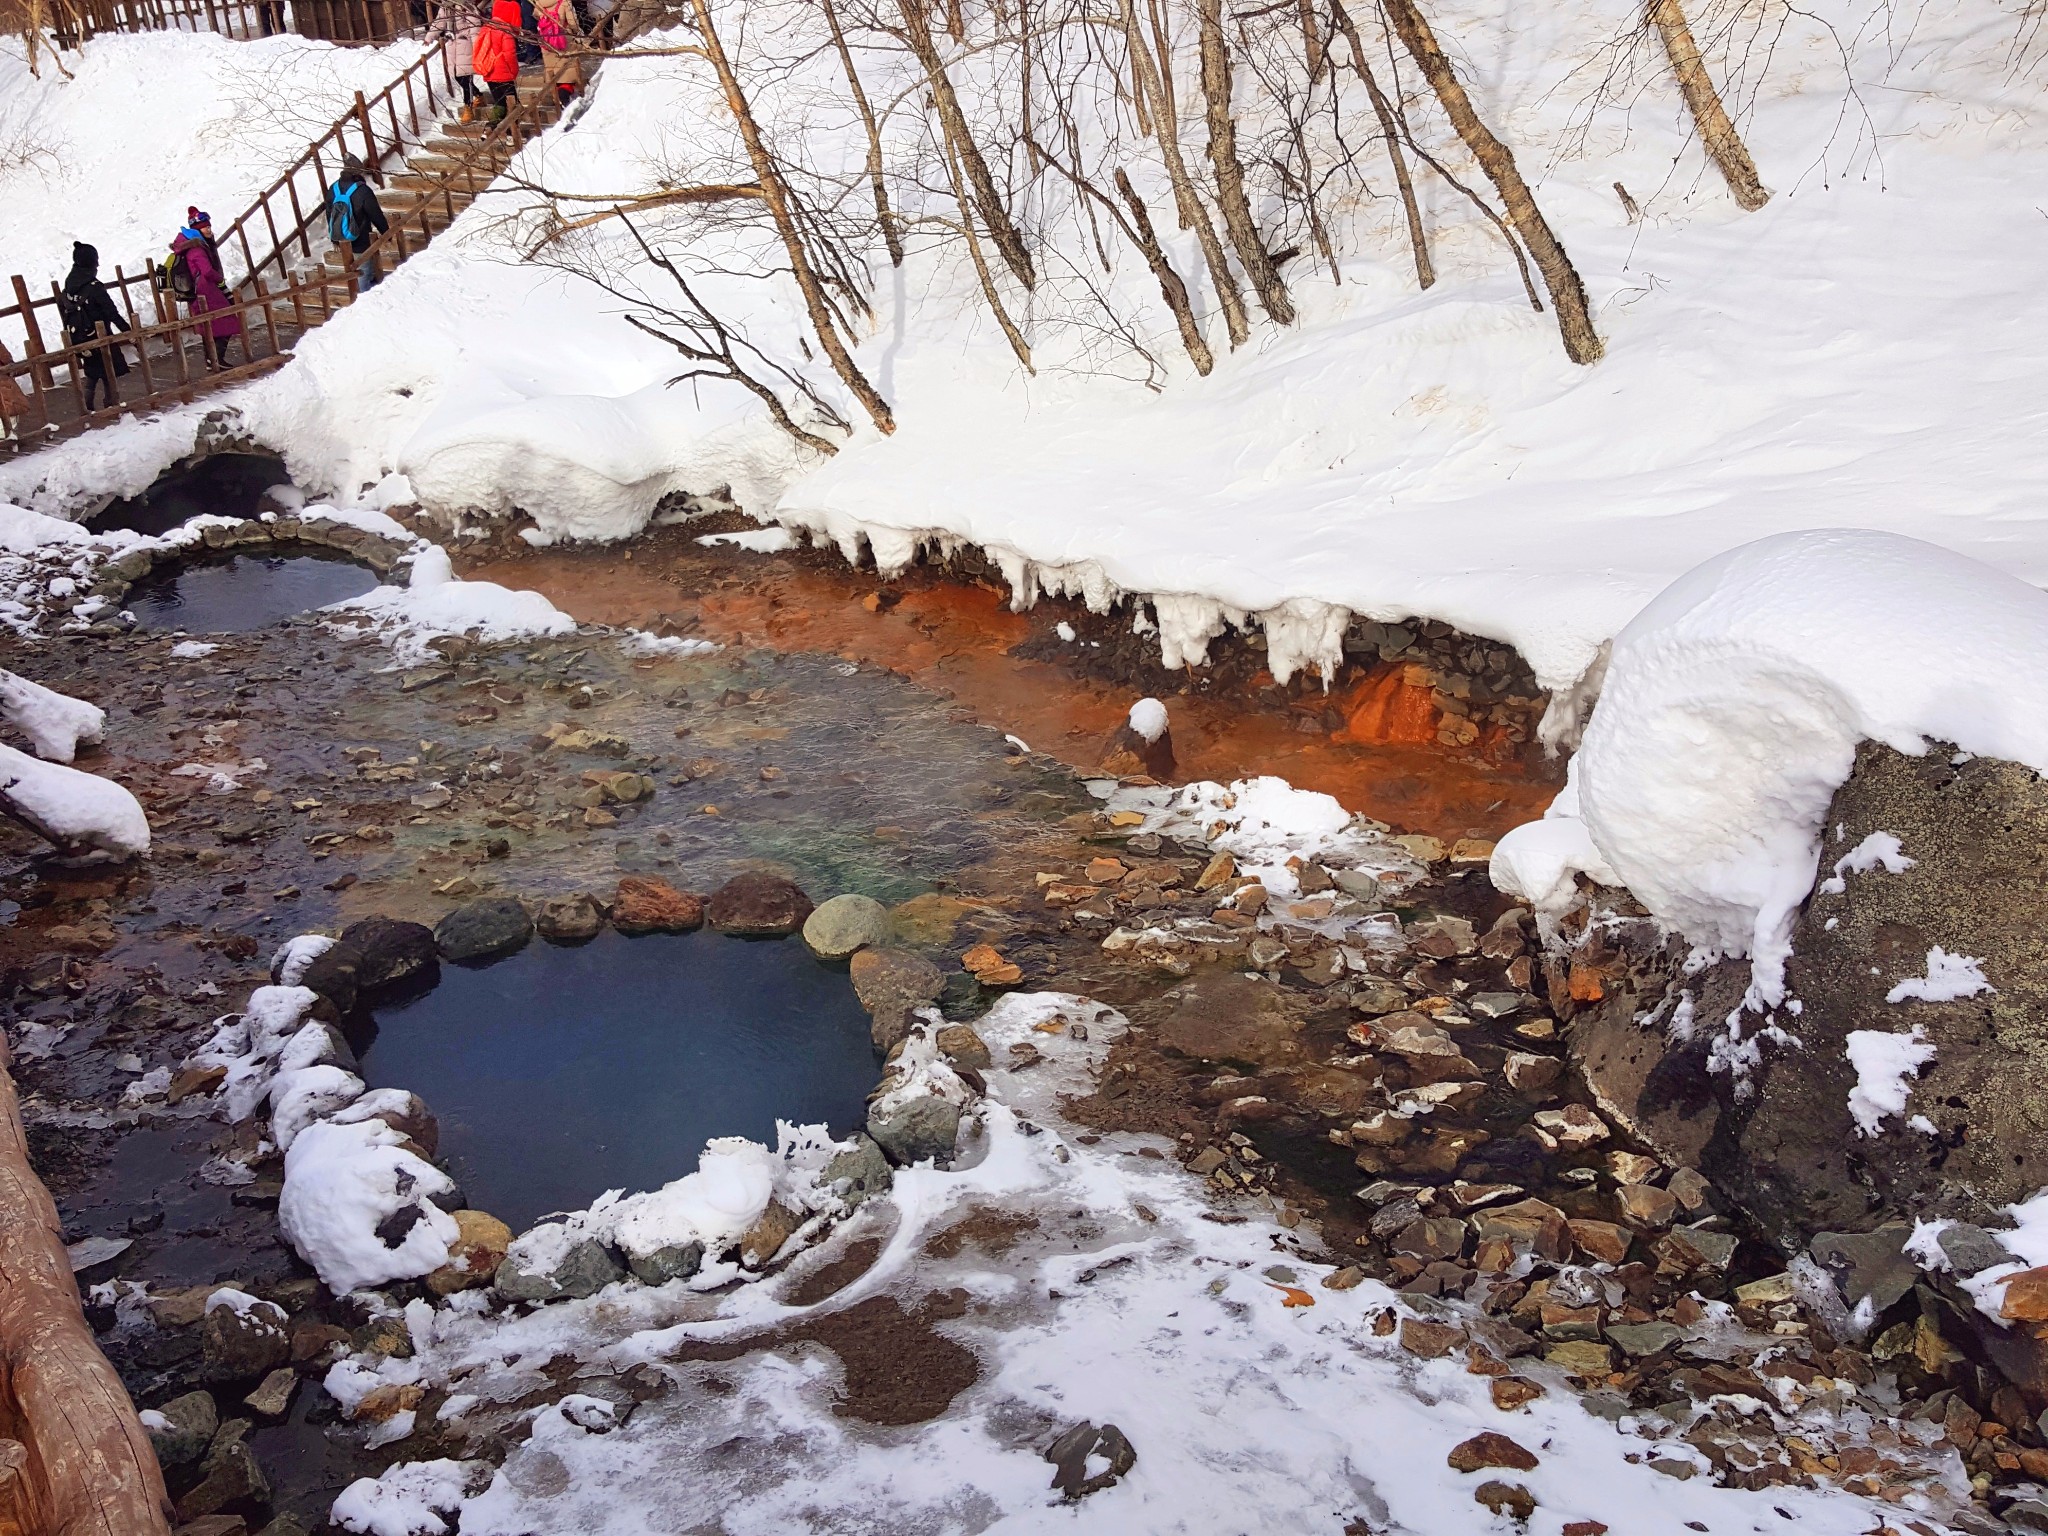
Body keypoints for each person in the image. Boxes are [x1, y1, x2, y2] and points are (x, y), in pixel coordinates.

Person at [59, 241, 131, 411]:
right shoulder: (94, 287)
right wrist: (128, 331)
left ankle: (88, 407)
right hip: (99, 334)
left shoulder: (70, 284)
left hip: (80, 335)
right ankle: (111, 404)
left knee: (92, 372)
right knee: (108, 371)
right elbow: (111, 312)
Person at [170, 211, 244, 371]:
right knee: (226, 320)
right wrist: (219, 280)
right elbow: (207, 270)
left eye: (209, 227)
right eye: (205, 228)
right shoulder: (196, 248)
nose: (209, 230)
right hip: (206, 291)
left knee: (210, 326)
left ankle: (213, 360)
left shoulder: (192, 244)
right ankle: (216, 359)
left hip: (201, 291)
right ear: (197, 229)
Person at [325, 155, 392, 294]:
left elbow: (329, 213)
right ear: (358, 172)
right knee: (364, 272)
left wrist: (334, 238)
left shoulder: (333, 188)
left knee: (357, 270)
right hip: (360, 239)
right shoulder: (362, 191)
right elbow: (376, 214)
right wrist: (386, 233)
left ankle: (364, 294)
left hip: (341, 237)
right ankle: (361, 303)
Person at [429, 0, 484, 120]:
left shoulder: (467, 6)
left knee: (466, 78)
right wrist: (429, 37)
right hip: (452, 46)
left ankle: (468, 108)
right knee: (457, 76)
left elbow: (475, 28)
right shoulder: (446, 7)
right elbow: (439, 23)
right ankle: (478, 95)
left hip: (466, 44)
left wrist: (477, 46)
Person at [471, 0, 523, 122]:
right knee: (513, 105)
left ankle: (488, 129)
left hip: (489, 71)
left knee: (499, 104)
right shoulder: (506, 32)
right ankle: (511, 134)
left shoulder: (486, 28)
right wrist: (513, 72)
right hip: (504, 74)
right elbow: (509, 55)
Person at [536, 0, 581, 108]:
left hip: (547, 40)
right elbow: (573, 23)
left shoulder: (539, 3)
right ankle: (564, 97)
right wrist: (575, 30)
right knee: (567, 70)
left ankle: (556, 96)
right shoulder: (564, 2)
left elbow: (536, 16)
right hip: (563, 40)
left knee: (553, 69)